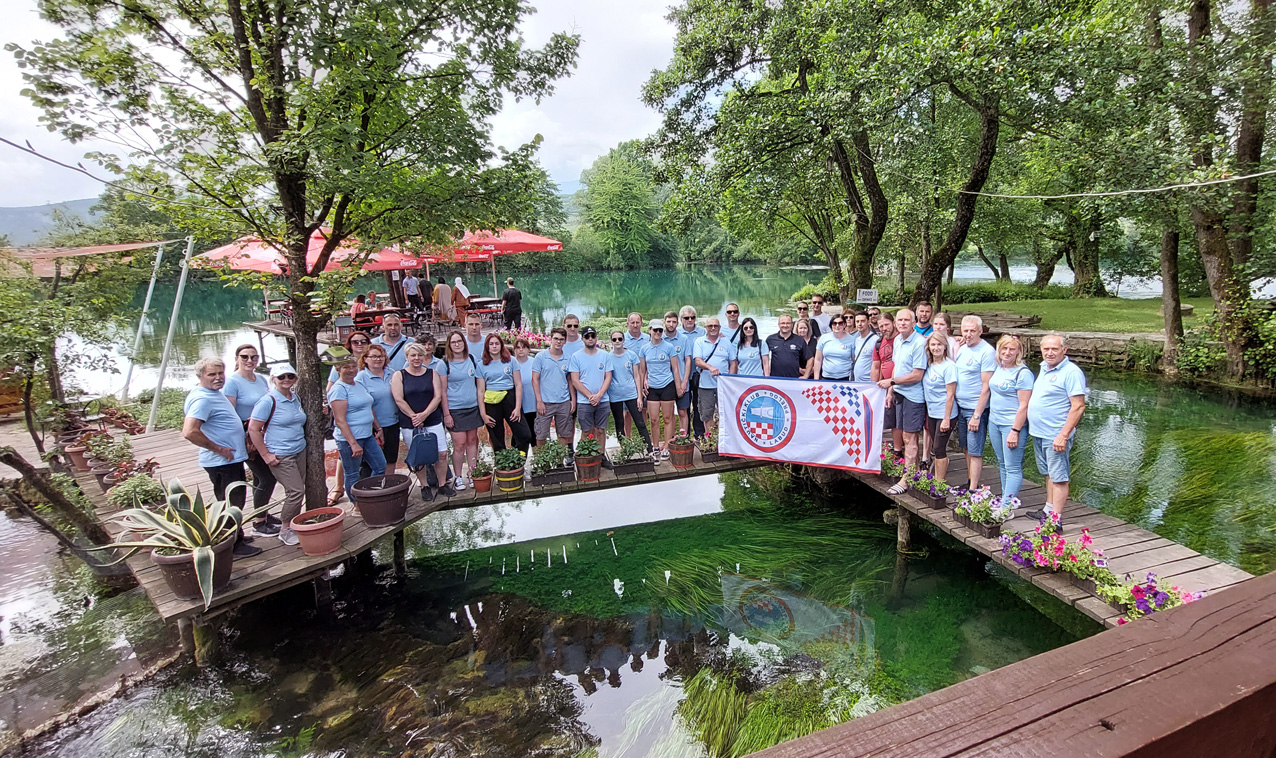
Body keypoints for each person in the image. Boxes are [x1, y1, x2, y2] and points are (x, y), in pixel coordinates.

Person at [182, 358, 260, 557]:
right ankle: (233, 546)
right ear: (200, 376)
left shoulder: (211, 393)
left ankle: (237, 535)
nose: (218, 378)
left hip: (230, 459)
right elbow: (190, 431)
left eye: (220, 373)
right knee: (231, 503)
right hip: (222, 462)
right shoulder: (203, 399)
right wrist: (218, 448)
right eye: (211, 374)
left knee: (234, 500)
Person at [1025, 334, 1087, 527]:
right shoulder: (1045, 368)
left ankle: (1055, 521)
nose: (1050, 353)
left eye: (1054, 349)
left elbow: (1078, 406)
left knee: (1059, 477)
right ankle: (1048, 510)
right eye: (1046, 349)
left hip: (1055, 435)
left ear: (1064, 350)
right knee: (1049, 474)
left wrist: (1063, 435)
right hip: (1039, 432)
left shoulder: (1071, 372)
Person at [221, 344, 280, 537]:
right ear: (237, 358)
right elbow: (230, 414)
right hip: (246, 437)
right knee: (267, 477)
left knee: (259, 478)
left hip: (263, 435)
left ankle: (262, 512)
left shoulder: (261, 379)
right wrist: (247, 436)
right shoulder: (232, 382)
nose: (250, 361)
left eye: (254, 357)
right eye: (245, 357)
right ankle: (258, 523)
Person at [247, 363, 307, 546]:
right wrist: (266, 455)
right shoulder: (268, 401)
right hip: (281, 454)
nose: (286, 380)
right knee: (296, 492)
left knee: (296, 490)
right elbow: (253, 429)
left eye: (290, 376)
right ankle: (285, 529)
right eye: (281, 377)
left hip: (299, 449)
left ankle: (293, 524)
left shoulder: (294, 397)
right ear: (273, 380)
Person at [392, 343, 454, 500]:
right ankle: (424, 485)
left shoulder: (431, 373)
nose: (416, 358)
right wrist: (415, 417)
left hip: (432, 419)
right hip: (410, 422)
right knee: (418, 455)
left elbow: (438, 396)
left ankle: (442, 484)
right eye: (413, 355)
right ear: (407, 357)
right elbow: (399, 399)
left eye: (419, 355)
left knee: (442, 453)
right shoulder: (399, 375)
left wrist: (424, 415)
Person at [878, 309, 926, 494]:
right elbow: (897, 367)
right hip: (899, 393)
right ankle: (913, 473)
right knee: (905, 436)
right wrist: (891, 390)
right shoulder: (898, 340)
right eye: (900, 320)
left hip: (913, 396)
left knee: (910, 437)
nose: (903, 323)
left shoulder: (919, 343)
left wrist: (891, 382)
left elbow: (917, 374)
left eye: (907, 320)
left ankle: (906, 479)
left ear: (914, 322)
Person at [328, 358, 385, 503]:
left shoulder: (358, 384)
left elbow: (369, 407)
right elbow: (340, 420)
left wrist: (378, 427)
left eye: (354, 366)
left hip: (367, 435)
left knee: (380, 466)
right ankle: (357, 504)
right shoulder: (338, 389)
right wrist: (353, 443)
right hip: (349, 439)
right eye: (346, 367)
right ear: (338, 369)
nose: (351, 370)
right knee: (352, 473)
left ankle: (370, 495)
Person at [325, 332, 371, 505]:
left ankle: (368, 490)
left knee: (373, 460)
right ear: (349, 344)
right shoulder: (341, 365)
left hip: (370, 417)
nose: (359, 344)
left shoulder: (372, 361)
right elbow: (331, 391)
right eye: (355, 341)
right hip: (349, 421)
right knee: (346, 459)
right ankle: (340, 489)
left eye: (363, 341)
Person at [953, 315, 997, 490]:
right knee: (965, 447)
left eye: (972, 331)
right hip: (961, 406)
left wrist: (977, 415)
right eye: (966, 330)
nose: (969, 334)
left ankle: (974, 489)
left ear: (980, 331)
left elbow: (986, 386)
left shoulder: (986, 352)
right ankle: (970, 480)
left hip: (975, 408)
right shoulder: (963, 348)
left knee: (975, 450)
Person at [987, 335, 1033, 501]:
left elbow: (1024, 405)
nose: (1007, 352)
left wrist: (1015, 430)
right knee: (1002, 463)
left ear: (1018, 352)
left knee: (1012, 466)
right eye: (1004, 348)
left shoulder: (1023, 373)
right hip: (995, 421)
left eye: (1011, 349)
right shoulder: (1000, 367)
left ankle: (1006, 506)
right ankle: (1006, 498)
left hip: (1011, 425)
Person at [477, 332, 531, 452]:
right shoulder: (481, 365)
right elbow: (480, 391)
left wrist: (517, 408)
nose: (494, 346)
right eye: (491, 344)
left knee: (524, 435)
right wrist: (483, 414)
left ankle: (518, 461)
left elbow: (518, 384)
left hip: (510, 397)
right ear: (487, 346)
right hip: (491, 400)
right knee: (497, 439)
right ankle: (503, 466)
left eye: (497, 343)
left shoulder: (511, 361)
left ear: (501, 345)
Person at [443, 331, 483, 491]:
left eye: (459, 341)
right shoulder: (444, 363)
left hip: (472, 407)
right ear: (449, 345)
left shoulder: (472, 360)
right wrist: (446, 414)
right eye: (454, 342)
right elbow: (442, 391)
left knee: (472, 441)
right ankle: (458, 476)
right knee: (459, 444)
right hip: (455, 409)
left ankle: (473, 473)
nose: (457, 344)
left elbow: (479, 384)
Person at [568, 326, 614, 466]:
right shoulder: (576, 357)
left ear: (596, 338)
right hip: (584, 401)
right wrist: (589, 396)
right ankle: (586, 457)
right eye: (587, 336)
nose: (590, 339)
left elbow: (608, 377)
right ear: (582, 339)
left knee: (600, 430)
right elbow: (575, 380)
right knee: (586, 431)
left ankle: (601, 456)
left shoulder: (605, 355)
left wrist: (599, 395)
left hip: (603, 399)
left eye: (592, 336)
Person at [355, 344, 400, 474]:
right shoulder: (361, 378)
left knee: (391, 458)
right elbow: (364, 405)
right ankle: (371, 489)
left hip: (393, 422)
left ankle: (388, 486)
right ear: (365, 359)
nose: (378, 359)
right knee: (372, 462)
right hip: (372, 426)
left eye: (381, 356)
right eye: (374, 356)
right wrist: (377, 427)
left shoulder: (392, 373)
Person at [608, 330, 655, 454]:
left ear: (623, 340)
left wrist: (639, 396)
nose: (617, 341)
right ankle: (625, 450)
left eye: (619, 339)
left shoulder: (631, 355)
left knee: (640, 422)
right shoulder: (608, 357)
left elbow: (637, 376)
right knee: (619, 423)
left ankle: (649, 449)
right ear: (611, 341)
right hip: (615, 395)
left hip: (631, 393)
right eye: (614, 339)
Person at [641, 319, 681, 459]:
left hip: (667, 385)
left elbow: (675, 369)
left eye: (660, 330)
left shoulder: (669, 347)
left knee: (668, 417)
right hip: (652, 387)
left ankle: (668, 446)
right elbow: (642, 370)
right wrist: (642, 384)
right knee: (653, 419)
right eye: (655, 330)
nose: (657, 333)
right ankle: (656, 446)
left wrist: (678, 387)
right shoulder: (644, 348)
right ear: (650, 330)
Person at [921, 333, 958, 483]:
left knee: (939, 448)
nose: (936, 348)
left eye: (939, 345)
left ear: (945, 347)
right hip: (932, 412)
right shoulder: (928, 365)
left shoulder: (949, 366)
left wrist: (946, 419)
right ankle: (935, 478)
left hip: (945, 413)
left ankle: (938, 483)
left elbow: (950, 395)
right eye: (933, 345)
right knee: (934, 448)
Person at [693, 317, 738, 438]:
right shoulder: (699, 342)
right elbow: (698, 361)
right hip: (705, 384)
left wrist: (730, 378)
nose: (713, 328)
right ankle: (711, 441)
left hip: (723, 385)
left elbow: (733, 361)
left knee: (726, 413)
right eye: (710, 326)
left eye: (715, 326)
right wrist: (710, 367)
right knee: (707, 414)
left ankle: (725, 439)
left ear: (719, 328)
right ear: (706, 328)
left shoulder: (726, 342)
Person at [532, 327, 575, 452]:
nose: (558, 342)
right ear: (550, 339)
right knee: (541, 434)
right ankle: (544, 462)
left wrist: (573, 399)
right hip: (545, 402)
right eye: (556, 338)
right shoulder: (540, 357)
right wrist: (539, 400)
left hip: (563, 401)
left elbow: (570, 380)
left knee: (564, 434)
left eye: (562, 339)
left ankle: (558, 461)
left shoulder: (568, 358)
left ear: (565, 341)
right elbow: (535, 379)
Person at [872, 314, 901, 456]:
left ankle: (898, 451)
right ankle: (892, 449)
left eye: (886, 325)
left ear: (893, 323)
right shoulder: (879, 343)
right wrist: (873, 387)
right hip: (884, 385)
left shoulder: (901, 340)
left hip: (900, 384)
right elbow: (876, 366)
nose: (884, 328)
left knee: (898, 422)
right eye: (881, 326)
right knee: (889, 418)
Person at [678, 306, 707, 437]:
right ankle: (685, 435)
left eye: (692, 317)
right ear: (681, 319)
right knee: (683, 408)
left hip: (698, 375)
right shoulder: (677, 332)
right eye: (686, 318)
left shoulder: (702, 332)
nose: (690, 320)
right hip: (682, 376)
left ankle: (699, 434)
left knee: (698, 405)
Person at [664, 311, 694, 435]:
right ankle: (669, 439)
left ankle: (684, 438)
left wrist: (685, 381)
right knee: (668, 414)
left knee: (683, 411)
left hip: (682, 380)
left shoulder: (684, 339)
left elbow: (688, 360)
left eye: (674, 322)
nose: (671, 324)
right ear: (664, 322)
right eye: (669, 321)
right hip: (666, 382)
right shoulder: (659, 338)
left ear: (678, 323)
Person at [513, 338, 538, 454]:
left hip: (533, 404)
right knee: (519, 436)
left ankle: (538, 462)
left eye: (524, 347)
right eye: (518, 347)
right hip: (518, 406)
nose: (521, 350)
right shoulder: (511, 363)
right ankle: (519, 461)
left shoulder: (534, 362)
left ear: (528, 349)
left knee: (535, 434)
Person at [766, 314, 811, 379]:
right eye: (782, 323)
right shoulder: (770, 339)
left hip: (794, 380)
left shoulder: (799, 340)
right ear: (778, 325)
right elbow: (763, 357)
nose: (785, 325)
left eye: (788, 323)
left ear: (792, 325)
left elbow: (810, 358)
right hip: (775, 379)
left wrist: (806, 375)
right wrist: (766, 374)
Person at [814, 315, 854, 380]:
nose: (837, 326)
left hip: (845, 378)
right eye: (834, 323)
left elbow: (854, 359)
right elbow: (818, 360)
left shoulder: (852, 340)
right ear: (831, 325)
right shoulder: (823, 338)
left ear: (844, 325)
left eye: (840, 323)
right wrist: (816, 378)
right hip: (826, 378)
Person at [851, 312, 879, 382]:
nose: (859, 324)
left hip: (868, 383)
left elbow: (877, 365)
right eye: (857, 321)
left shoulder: (875, 340)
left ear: (868, 322)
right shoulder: (856, 340)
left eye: (862, 321)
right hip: (857, 382)